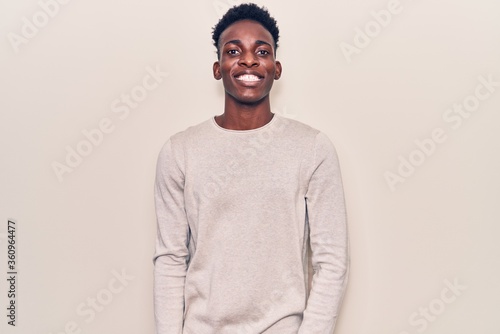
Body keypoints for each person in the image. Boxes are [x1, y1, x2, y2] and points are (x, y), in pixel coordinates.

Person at [153, 3, 349, 333]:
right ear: (218, 68)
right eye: (234, 50)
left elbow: (332, 262)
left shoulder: (311, 148)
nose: (248, 60)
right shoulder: (179, 151)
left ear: (276, 67)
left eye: (262, 50)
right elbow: (171, 260)